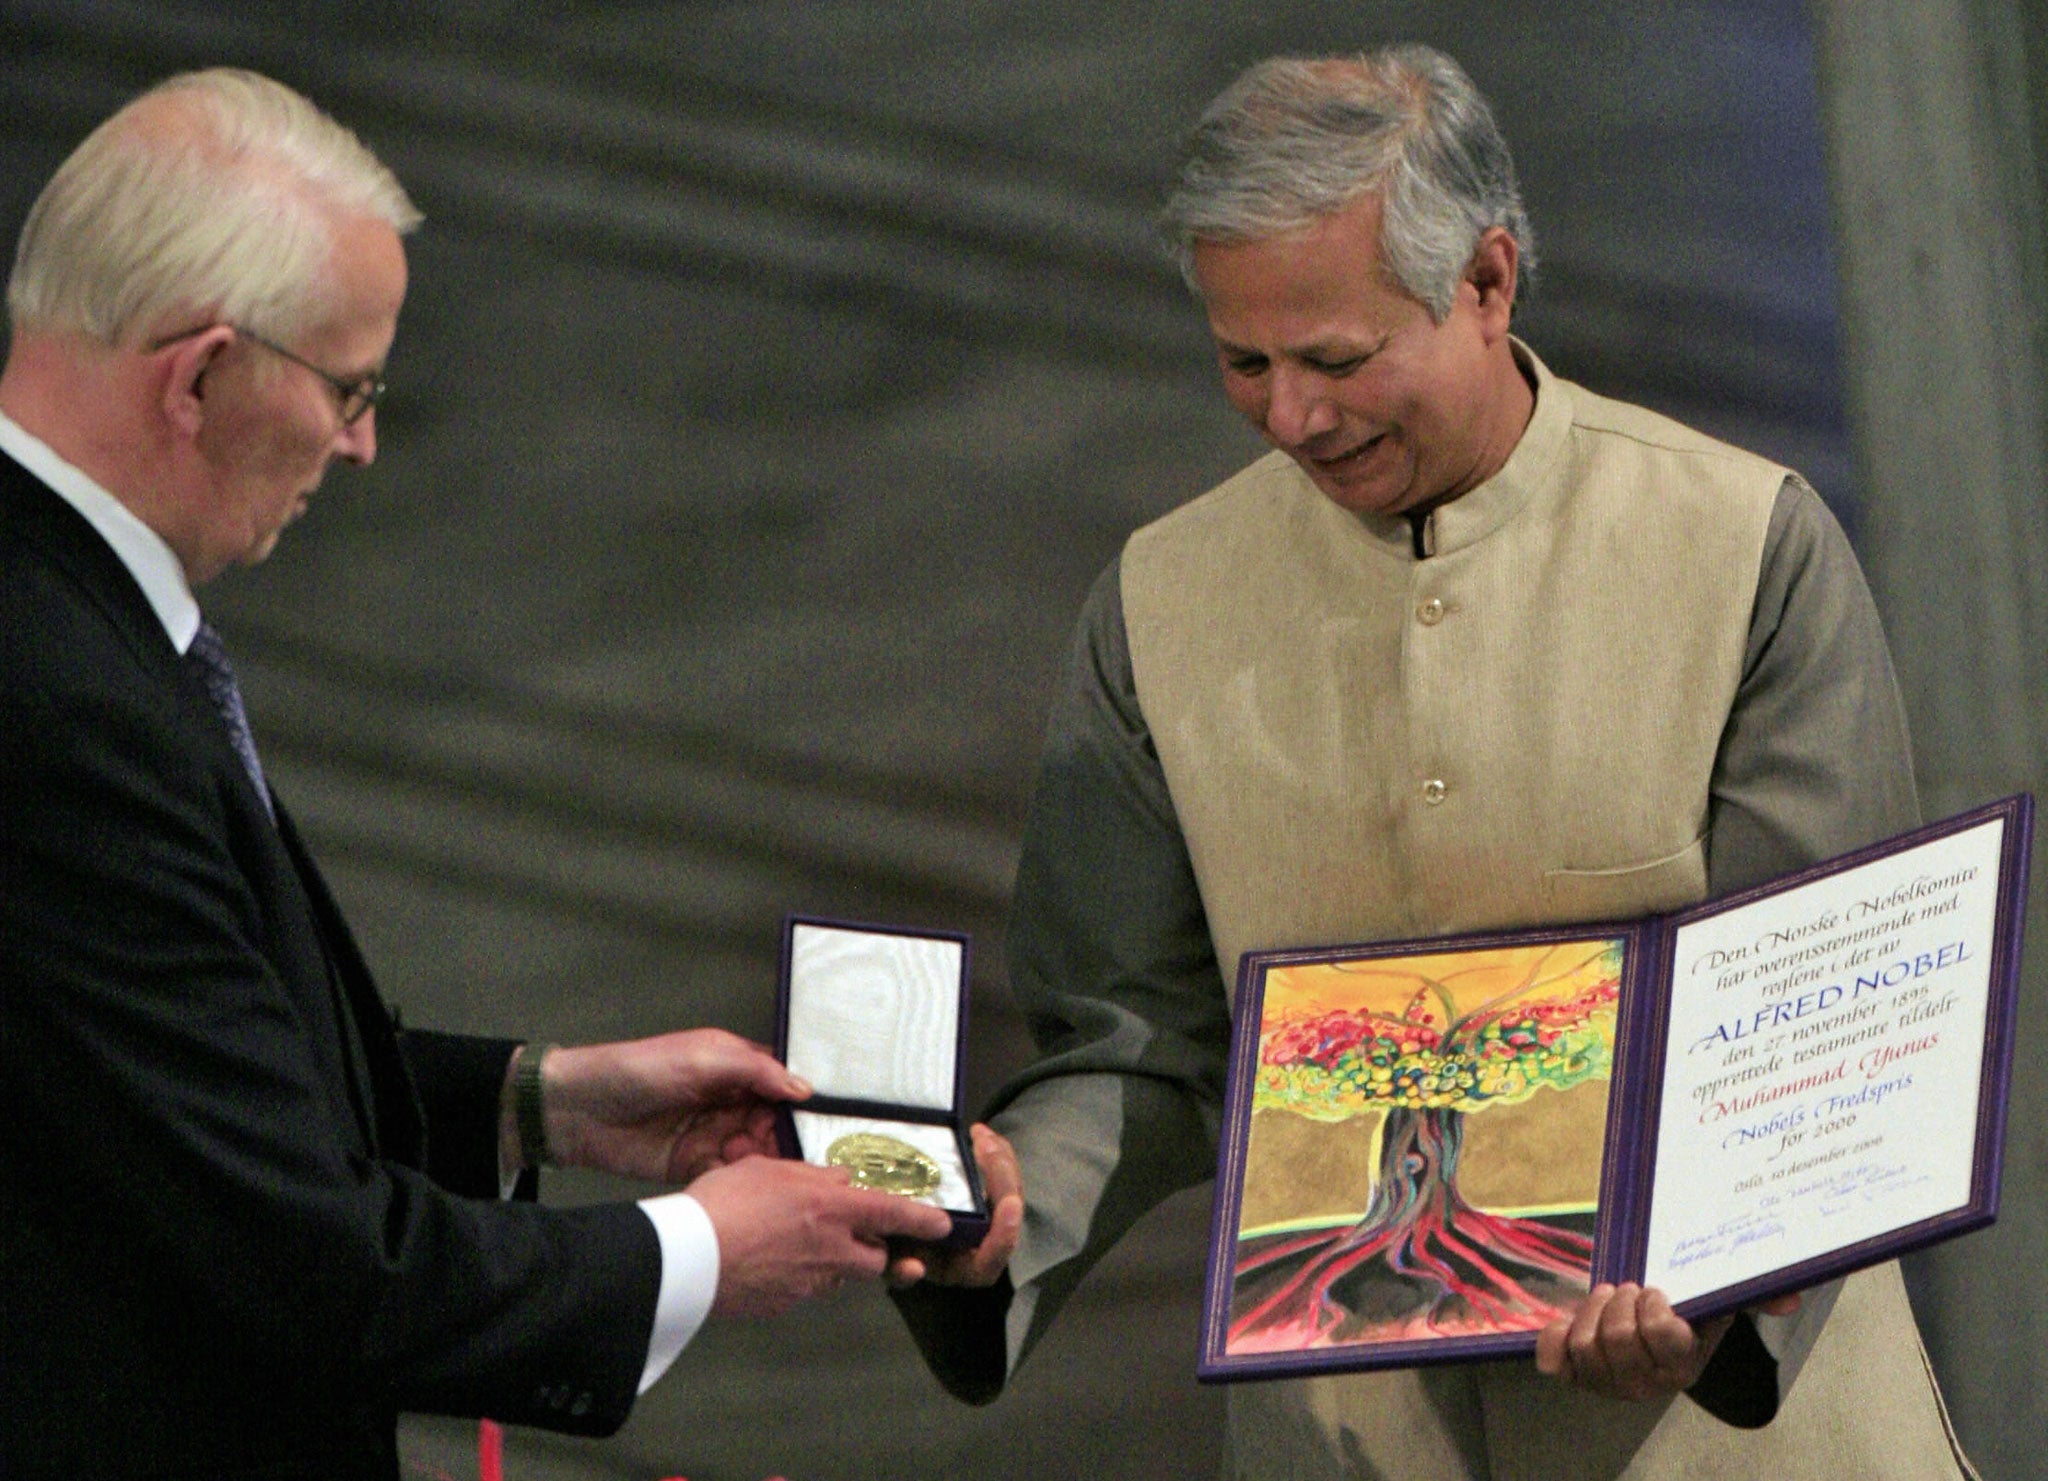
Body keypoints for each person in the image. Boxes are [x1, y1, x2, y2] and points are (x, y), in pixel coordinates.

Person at [894, 43, 1976, 1479]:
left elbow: (1820, 1033)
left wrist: (1712, 1295)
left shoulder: (1744, 549)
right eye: (1244, 361)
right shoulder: (1156, 603)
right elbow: (1132, 1036)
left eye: (1336, 359)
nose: (1292, 416)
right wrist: (1009, 1207)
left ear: (1486, 281)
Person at [0, 68, 958, 1481]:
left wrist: (538, 1102)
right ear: (201, 374)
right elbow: (306, 1267)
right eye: (349, 385)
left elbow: (155, 1088)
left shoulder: (62, 614)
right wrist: (698, 1248)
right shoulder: (59, 702)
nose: (364, 440)